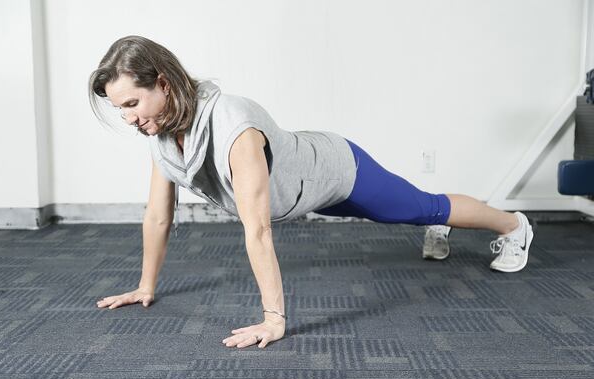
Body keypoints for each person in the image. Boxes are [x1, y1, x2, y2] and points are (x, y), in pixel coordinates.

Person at [90, 35, 534, 350]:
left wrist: (274, 320)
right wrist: (145, 285)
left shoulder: (234, 127)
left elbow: (258, 230)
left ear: (163, 84)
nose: (129, 118)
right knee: (416, 212)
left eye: (132, 104)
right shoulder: (160, 133)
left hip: (335, 171)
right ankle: (440, 224)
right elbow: (158, 215)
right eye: (119, 109)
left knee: (421, 207)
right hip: (297, 194)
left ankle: (516, 226)